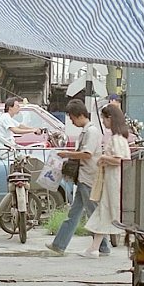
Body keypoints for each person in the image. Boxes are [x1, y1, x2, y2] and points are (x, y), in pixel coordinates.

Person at [45, 100, 111, 256]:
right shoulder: (86, 132)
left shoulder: (92, 132)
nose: (72, 121)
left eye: (72, 118)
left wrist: (67, 154)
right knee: (75, 214)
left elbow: (87, 154)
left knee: (92, 213)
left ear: (80, 115)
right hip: (83, 177)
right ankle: (59, 245)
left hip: (89, 178)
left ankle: (103, 247)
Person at [80, 104, 131, 258]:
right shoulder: (119, 138)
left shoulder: (116, 139)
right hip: (113, 180)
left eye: (104, 118)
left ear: (110, 118)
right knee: (105, 211)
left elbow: (120, 159)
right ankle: (94, 248)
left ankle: (94, 248)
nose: (103, 122)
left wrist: (103, 158)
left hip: (114, 181)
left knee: (107, 211)